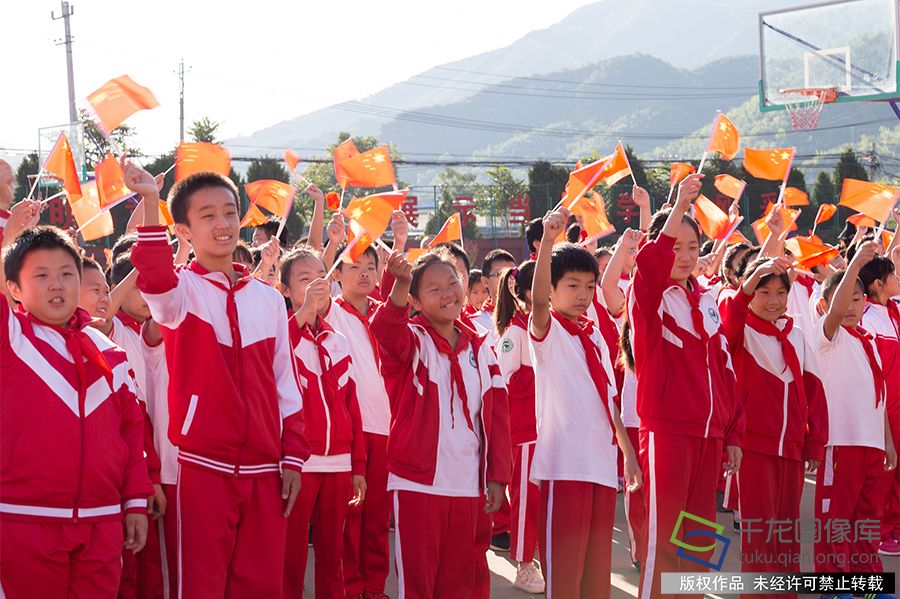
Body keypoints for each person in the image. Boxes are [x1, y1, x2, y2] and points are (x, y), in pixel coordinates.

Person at [127, 160, 309, 598]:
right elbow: (154, 275)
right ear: (184, 231)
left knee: (261, 587)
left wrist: (293, 457)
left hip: (266, 470)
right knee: (201, 587)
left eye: (229, 212)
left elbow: (286, 384)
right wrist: (151, 201)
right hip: (202, 468)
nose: (223, 224)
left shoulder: (268, 299)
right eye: (207, 215)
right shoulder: (180, 294)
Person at [0, 211, 152, 597]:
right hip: (24, 520)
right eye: (41, 275)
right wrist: (9, 234)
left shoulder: (110, 351)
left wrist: (135, 501)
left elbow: (131, 434)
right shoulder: (11, 337)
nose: (57, 285)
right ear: (13, 287)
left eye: (67, 274)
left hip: (102, 523)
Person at [628, 174, 744, 599]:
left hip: (709, 436)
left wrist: (733, 433)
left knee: (699, 541)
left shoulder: (706, 299)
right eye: (675, 246)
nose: (685, 256)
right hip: (668, 432)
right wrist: (678, 206)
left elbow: (726, 370)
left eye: (693, 247)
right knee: (664, 539)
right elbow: (648, 265)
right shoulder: (650, 297)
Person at [371, 249, 511, 598]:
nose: (448, 293)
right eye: (434, 289)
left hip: (469, 485)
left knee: (465, 581)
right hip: (419, 484)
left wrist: (497, 476)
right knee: (420, 583)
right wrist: (399, 284)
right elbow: (385, 331)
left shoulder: (481, 348)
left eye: (452, 283)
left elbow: (497, 415)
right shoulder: (412, 340)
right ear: (415, 301)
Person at [529, 208, 641, 598]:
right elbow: (537, 303)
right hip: (565, 468)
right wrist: (548, 241)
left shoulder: (593, 335)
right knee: (564, 576)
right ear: (552, 289)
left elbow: (609, 401)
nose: (583, 295)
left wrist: (628, 454)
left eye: (590, 287)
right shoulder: (548, 332)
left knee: (595, 578)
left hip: (600, 467)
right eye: (572, 285)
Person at [722, 257, 828, 598]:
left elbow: (814, 389)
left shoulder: (796, 334)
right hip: (753, 448)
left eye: (781, 293)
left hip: (793, 449)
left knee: (787, 533)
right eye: (763, 292)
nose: (773, 301)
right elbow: (730, 319)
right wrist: (748, 283)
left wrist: (815, 441)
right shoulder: (741, 330)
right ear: (750, 292)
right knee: (760, 534)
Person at [280, 247, 366, 599]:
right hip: (299, 464)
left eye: (321, 276)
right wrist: (302, 314)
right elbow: (273, 360)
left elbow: (352, 407)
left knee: (334, 556)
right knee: (291, 554)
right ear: (285, 290)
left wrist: (357, 465)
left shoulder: (337, 340)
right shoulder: (280, 334)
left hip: (339, 464)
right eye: (304, 279)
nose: (317, 284)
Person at [814, 242, 897, 576]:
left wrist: (887, 441)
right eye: (843, 299)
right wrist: (855, 264)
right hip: (841, 443)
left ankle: (868, 579)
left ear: (866, 301)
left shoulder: (869, 342)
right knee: (837, 516)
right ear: (824, 305)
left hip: (871, 444)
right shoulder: (829, 337)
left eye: (857, 299)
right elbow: (836, 313)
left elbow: (879, 397)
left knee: (867, 517)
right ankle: (834, 580)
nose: (850, 306)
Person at [324, 233, 395, 599]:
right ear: (338, 273)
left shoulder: (384, 314)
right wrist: (334, 242)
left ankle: (373, 586)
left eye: (371, 267)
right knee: (351, 513)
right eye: (355, 267)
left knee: (378, 516)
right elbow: (315, 280)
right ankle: (350, 586)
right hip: (350, 427)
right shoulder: (331, 310)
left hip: (386, 427)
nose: (365, 273)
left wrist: (399, 242)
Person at [493, 260, 545, 593]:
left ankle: (539, 557)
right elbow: (503, 382)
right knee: (526, 499)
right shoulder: (514, 332)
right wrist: (540, 375)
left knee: (544, 501)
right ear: (526, 292)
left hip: (550, 428)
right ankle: (524, 564)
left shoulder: (553, 326)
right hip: (526, 432)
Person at [858, 252, 900, 556]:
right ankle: (882, 532)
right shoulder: (868, 318)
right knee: (885, 471)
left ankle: (895, 526)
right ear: (877, 284)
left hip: (899, 406)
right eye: (893, 275)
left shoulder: (893, 312)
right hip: (885, 408)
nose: (897, 279)